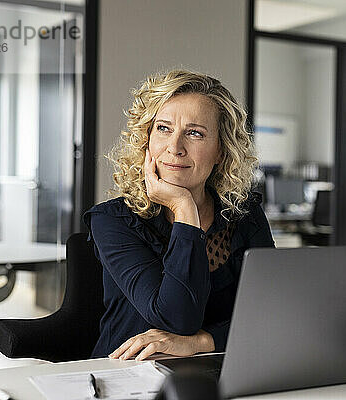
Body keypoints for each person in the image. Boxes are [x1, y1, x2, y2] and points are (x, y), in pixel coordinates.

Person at [84, 69, 275, 361]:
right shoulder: (113, 220)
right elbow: (175, 319)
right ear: (146, 141)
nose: (175, 148)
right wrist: (185, 208)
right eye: (163, 128)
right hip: (128, 374)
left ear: (221, 151)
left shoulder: (244, 214)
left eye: (195, 133)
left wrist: (201, 342)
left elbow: (270, 314)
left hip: (224, 368)